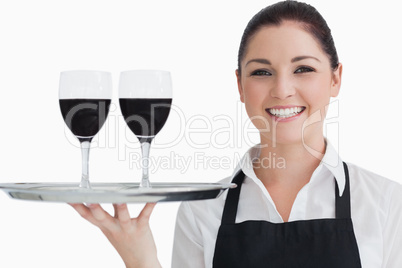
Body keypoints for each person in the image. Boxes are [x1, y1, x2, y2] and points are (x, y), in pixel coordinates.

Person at [70, 1, 402, 267]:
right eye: (262, 72)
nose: (282, 89)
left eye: (303, 69)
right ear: (240, 86)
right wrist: (139, 258)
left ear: (335, 79)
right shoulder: (202, 211)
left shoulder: (387, 204)